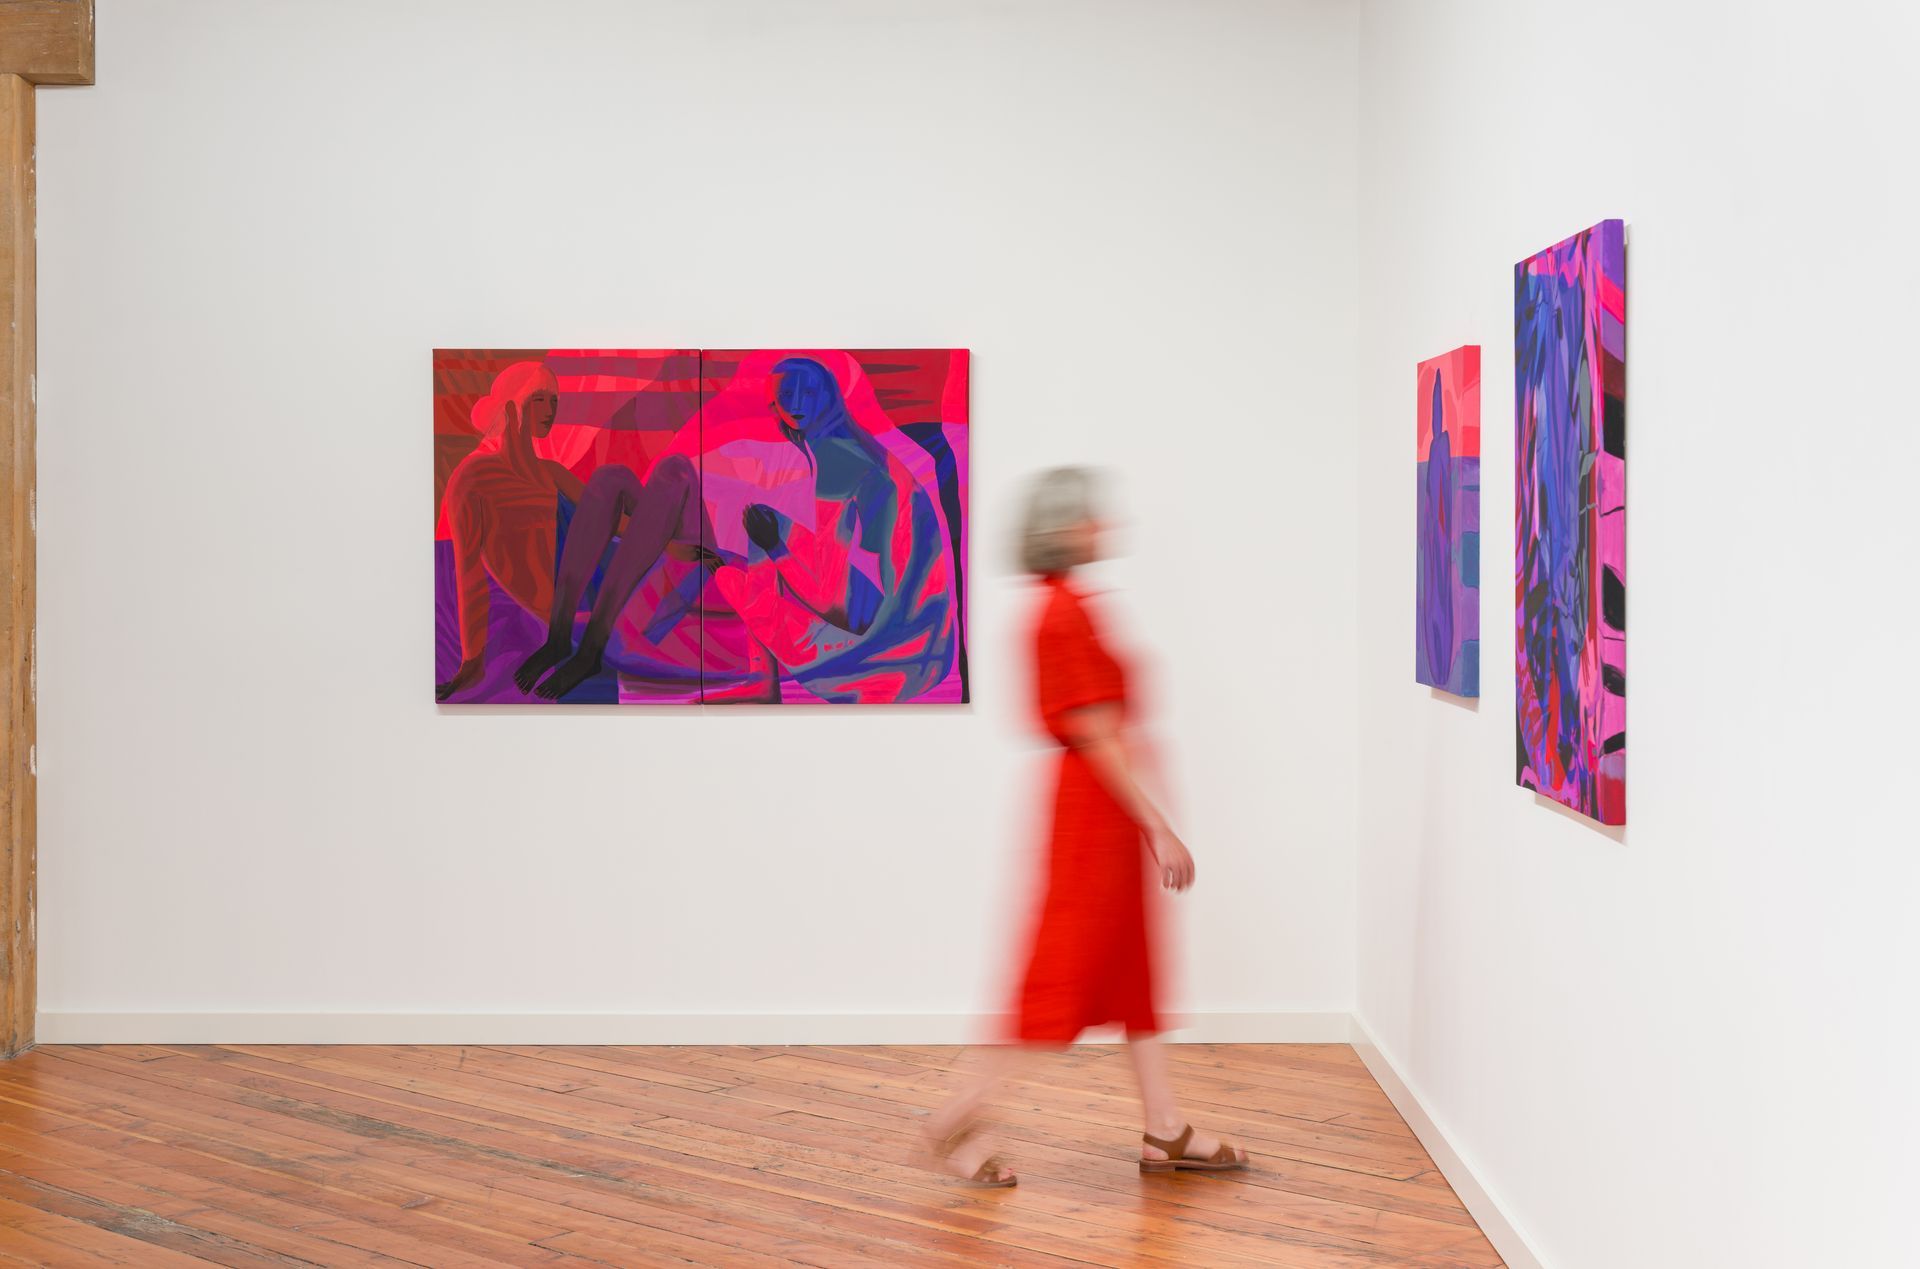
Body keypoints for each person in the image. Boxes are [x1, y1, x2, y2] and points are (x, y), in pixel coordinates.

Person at [923, 467, 1250, 1187]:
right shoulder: (1062, 613)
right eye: (1092, 515)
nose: (1104, 524)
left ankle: (1164, 1126)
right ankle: (956, 1117)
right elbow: (1096, 732)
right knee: (1061, 978)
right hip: (1094, 815)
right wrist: (1158, 825)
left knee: (1131, 971)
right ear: (1067, 527)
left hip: (1100, 811)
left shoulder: (1064, 604)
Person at [435, 363, 584, 702]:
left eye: (554, 401)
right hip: (545, 619)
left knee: (622, 481)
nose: (550, 410)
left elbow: (615, 522)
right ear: (511, 407)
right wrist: (472, 659)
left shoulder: (552, 473)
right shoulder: (473, 477)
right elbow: (468, 572)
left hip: (581, 599)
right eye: (539, 400)